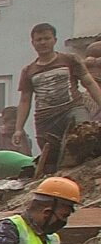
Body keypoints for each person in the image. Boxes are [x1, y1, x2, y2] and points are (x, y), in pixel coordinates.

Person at [20, 24, 99, 175]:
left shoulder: (69, 60)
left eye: (47, 38)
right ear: (33, 43)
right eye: (39, 39)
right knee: (51, 157)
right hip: (46, 118)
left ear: (54, 40)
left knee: (86, 132)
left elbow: (88, 82)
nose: (43, 42)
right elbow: (24, 100)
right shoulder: (28, 71)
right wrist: (19, 129)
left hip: (72, 108)